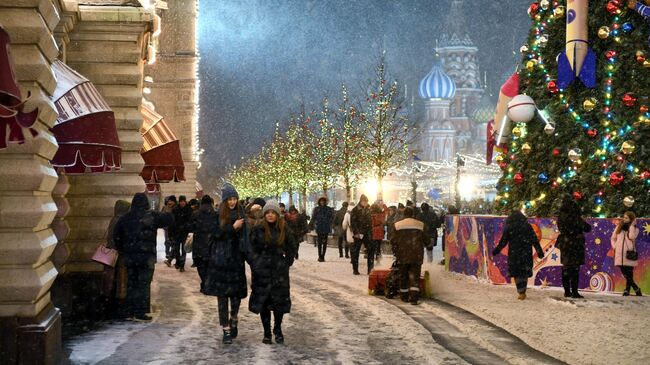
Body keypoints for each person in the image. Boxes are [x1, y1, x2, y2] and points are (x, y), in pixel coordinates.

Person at [112, 193, 173, 320]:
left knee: (131, 283)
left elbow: (116, 235)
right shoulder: (152, 216)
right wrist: (168, 208)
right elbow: (169, 220)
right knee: (143, 284)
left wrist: (123, 249)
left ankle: (130, 310)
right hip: (147, 257)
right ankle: (140, 311)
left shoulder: (125, 218)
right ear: (146, 202)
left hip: (130, 257)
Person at [203, 184, 249, 344]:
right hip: (221, 262)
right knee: (222, 298)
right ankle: (226, 329)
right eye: (229, 199)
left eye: (234, 198)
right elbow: (215, 234)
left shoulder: (241, 214)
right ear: (224, 201)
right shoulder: (218, 216)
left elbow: (246, 239)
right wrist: (232, 228)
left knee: (235, 297)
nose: (232, 202)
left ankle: (234, 318)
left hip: (236, 262)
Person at [248, 200, 296, 344]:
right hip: (261, 270)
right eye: (267, 213)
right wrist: (255, 262)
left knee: (278, 303)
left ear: (277, 214)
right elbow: (251, 248)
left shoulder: (284, 228)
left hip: (278, 270)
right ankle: (267, 332)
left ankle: (278, 329)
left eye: (272, 212)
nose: (270, 215)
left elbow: (292, 245)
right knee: (264, 302)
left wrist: (287, 262)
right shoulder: (258, 228)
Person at [492, 209, 544, 300]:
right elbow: (534, 239)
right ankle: (523, 290)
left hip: (514, 253)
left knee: (516, 272)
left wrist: (496, 251)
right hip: (526, 252)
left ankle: (520, 291)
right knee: (524, 272)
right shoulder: (527, 226)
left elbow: (503, 241)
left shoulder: (509, 227)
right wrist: (539, 251)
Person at [391, 207, 432, 304]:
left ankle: (404, 296)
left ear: (404, 214)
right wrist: (428, 245)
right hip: (416, 255)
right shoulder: (420, 225)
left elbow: (393, 240)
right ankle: (414, 298)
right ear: (413, 214)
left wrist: (396, 250)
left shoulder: (397, 225)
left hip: (402, 255)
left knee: (403, 276)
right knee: (415, 277)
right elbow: (426, 240)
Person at [555, 197, 591, 298]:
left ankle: (567, 291)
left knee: (566, 267)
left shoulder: (561, 217)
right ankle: (574, 292)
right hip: (576, 245)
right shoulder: (576, 217)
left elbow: (561, 228)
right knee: (575, 269)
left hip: (565, 244)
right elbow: (588, 228)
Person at [103, 200, 131, 319]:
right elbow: (121, 238)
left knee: (110, 281)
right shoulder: (122, 221)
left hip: (111, 254)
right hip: (119, 255)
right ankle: (118, 309)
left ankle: (109, 306)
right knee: (120, 281)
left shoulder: (114, 219)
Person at [189, 195, 218, 293]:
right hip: (211, 243)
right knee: (209, 265)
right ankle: (208, 284)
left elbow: (190, 227)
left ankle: (204, 283)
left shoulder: (195, 214)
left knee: (201, 265)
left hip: (199, 243)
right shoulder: (215, 214)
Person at [611, 211, 642, 296]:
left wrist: (632, 226)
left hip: (629, 254)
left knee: (629, 274)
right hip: (619, 254)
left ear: (631, 219)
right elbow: (613, 238)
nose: (624, 219)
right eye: (624, 217)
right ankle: (636, 288)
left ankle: (627, 290)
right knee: (626, 274)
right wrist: (615, 246)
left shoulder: (635, 229)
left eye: (626, 218)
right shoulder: (618, 227)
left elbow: (632, 237)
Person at [166, 195, 192, 271]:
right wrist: (170, 233)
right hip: (176, 233)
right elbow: (171, 222)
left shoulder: (188, 210)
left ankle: (182, 266)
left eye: (183, 201)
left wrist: (186, 227)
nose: (182, 203)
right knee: (176, 250)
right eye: (181, 201)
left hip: (184, 233)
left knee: (184, 250)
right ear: (179, 201)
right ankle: (178, 262)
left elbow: (190, 221)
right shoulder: (175, 209)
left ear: (185, 201)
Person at [350, 194, 372, 275]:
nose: (366, 203)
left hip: (367, 233)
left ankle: (370, 269)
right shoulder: (355, 210)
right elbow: (353, 222)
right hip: (359, 234)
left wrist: (370, 232)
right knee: (356, 251)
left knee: (370, 251)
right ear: (361, 201)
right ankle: (355, 269)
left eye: (366, 201)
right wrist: (356, 232)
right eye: (364, 201)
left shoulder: (368, 209)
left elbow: (370, 222)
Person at [311, 196, 334, 262]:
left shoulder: (328, 209)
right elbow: (313, 217)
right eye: (321, 201)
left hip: (325, 227)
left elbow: (332, 217)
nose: (322, 202)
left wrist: (329, 222)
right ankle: (319, 256)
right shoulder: (317, 209)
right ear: (319, 202)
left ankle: (323, 256)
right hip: (319, 227)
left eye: (323, 201)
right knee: (319, 243)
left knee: (324, 243)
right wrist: (314, 224)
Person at [369, 202, 386, 270]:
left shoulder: (371, 215)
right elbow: (386, 212)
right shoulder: (381, 215)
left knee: (372, 246)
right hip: (379, 231)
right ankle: (378, 259)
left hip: (373, 231)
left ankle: (371, 260)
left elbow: (371, 223)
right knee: (378, 246)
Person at [162, 195, 177, 263]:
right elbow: (161, 216)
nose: (169, 202)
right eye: (169, 200)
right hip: (167, 227)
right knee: (167, 241)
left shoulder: (176, 208)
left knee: (173, 242)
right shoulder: (165, 207)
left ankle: (172, 254)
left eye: (171, 201)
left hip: (174, 227)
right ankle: (168, 254)